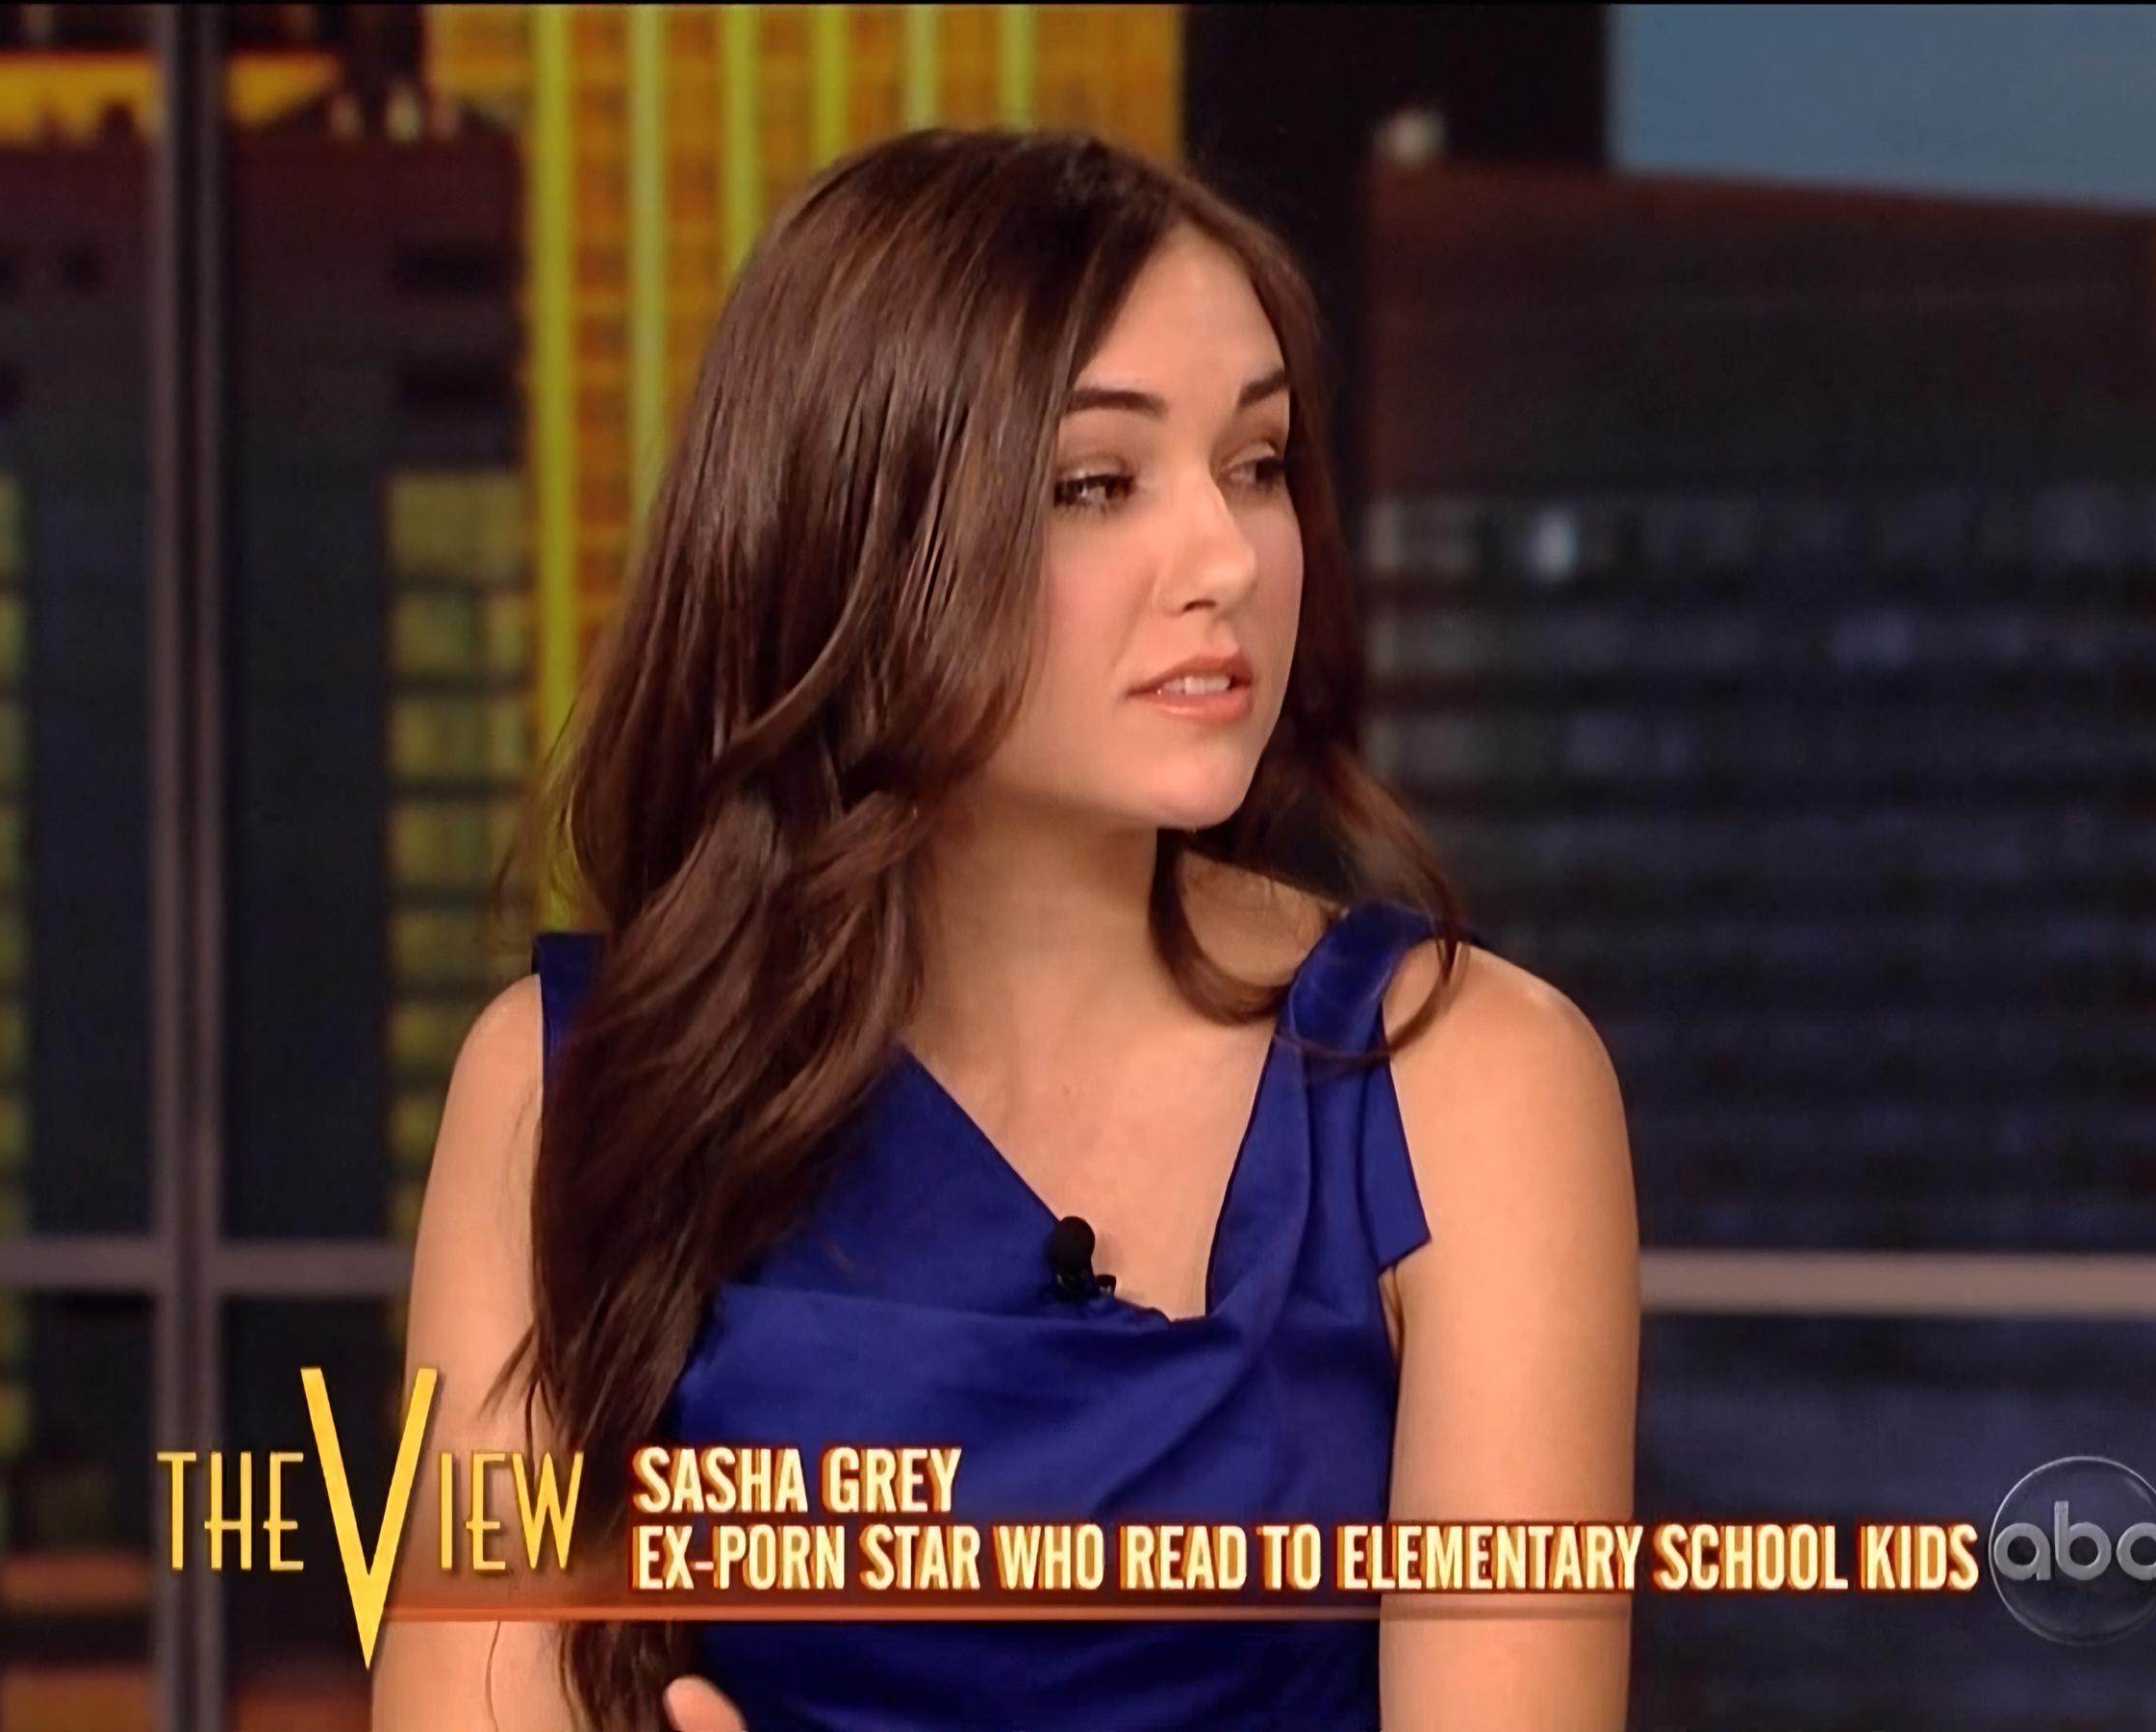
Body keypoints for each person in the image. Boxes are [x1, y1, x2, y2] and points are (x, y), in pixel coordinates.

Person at [374, 125, 1636, 1731]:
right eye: (1097, 484)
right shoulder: (570, 1091)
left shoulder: (1471, 1086)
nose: (1226, 559)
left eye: (1255, 465)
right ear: (859, 538)